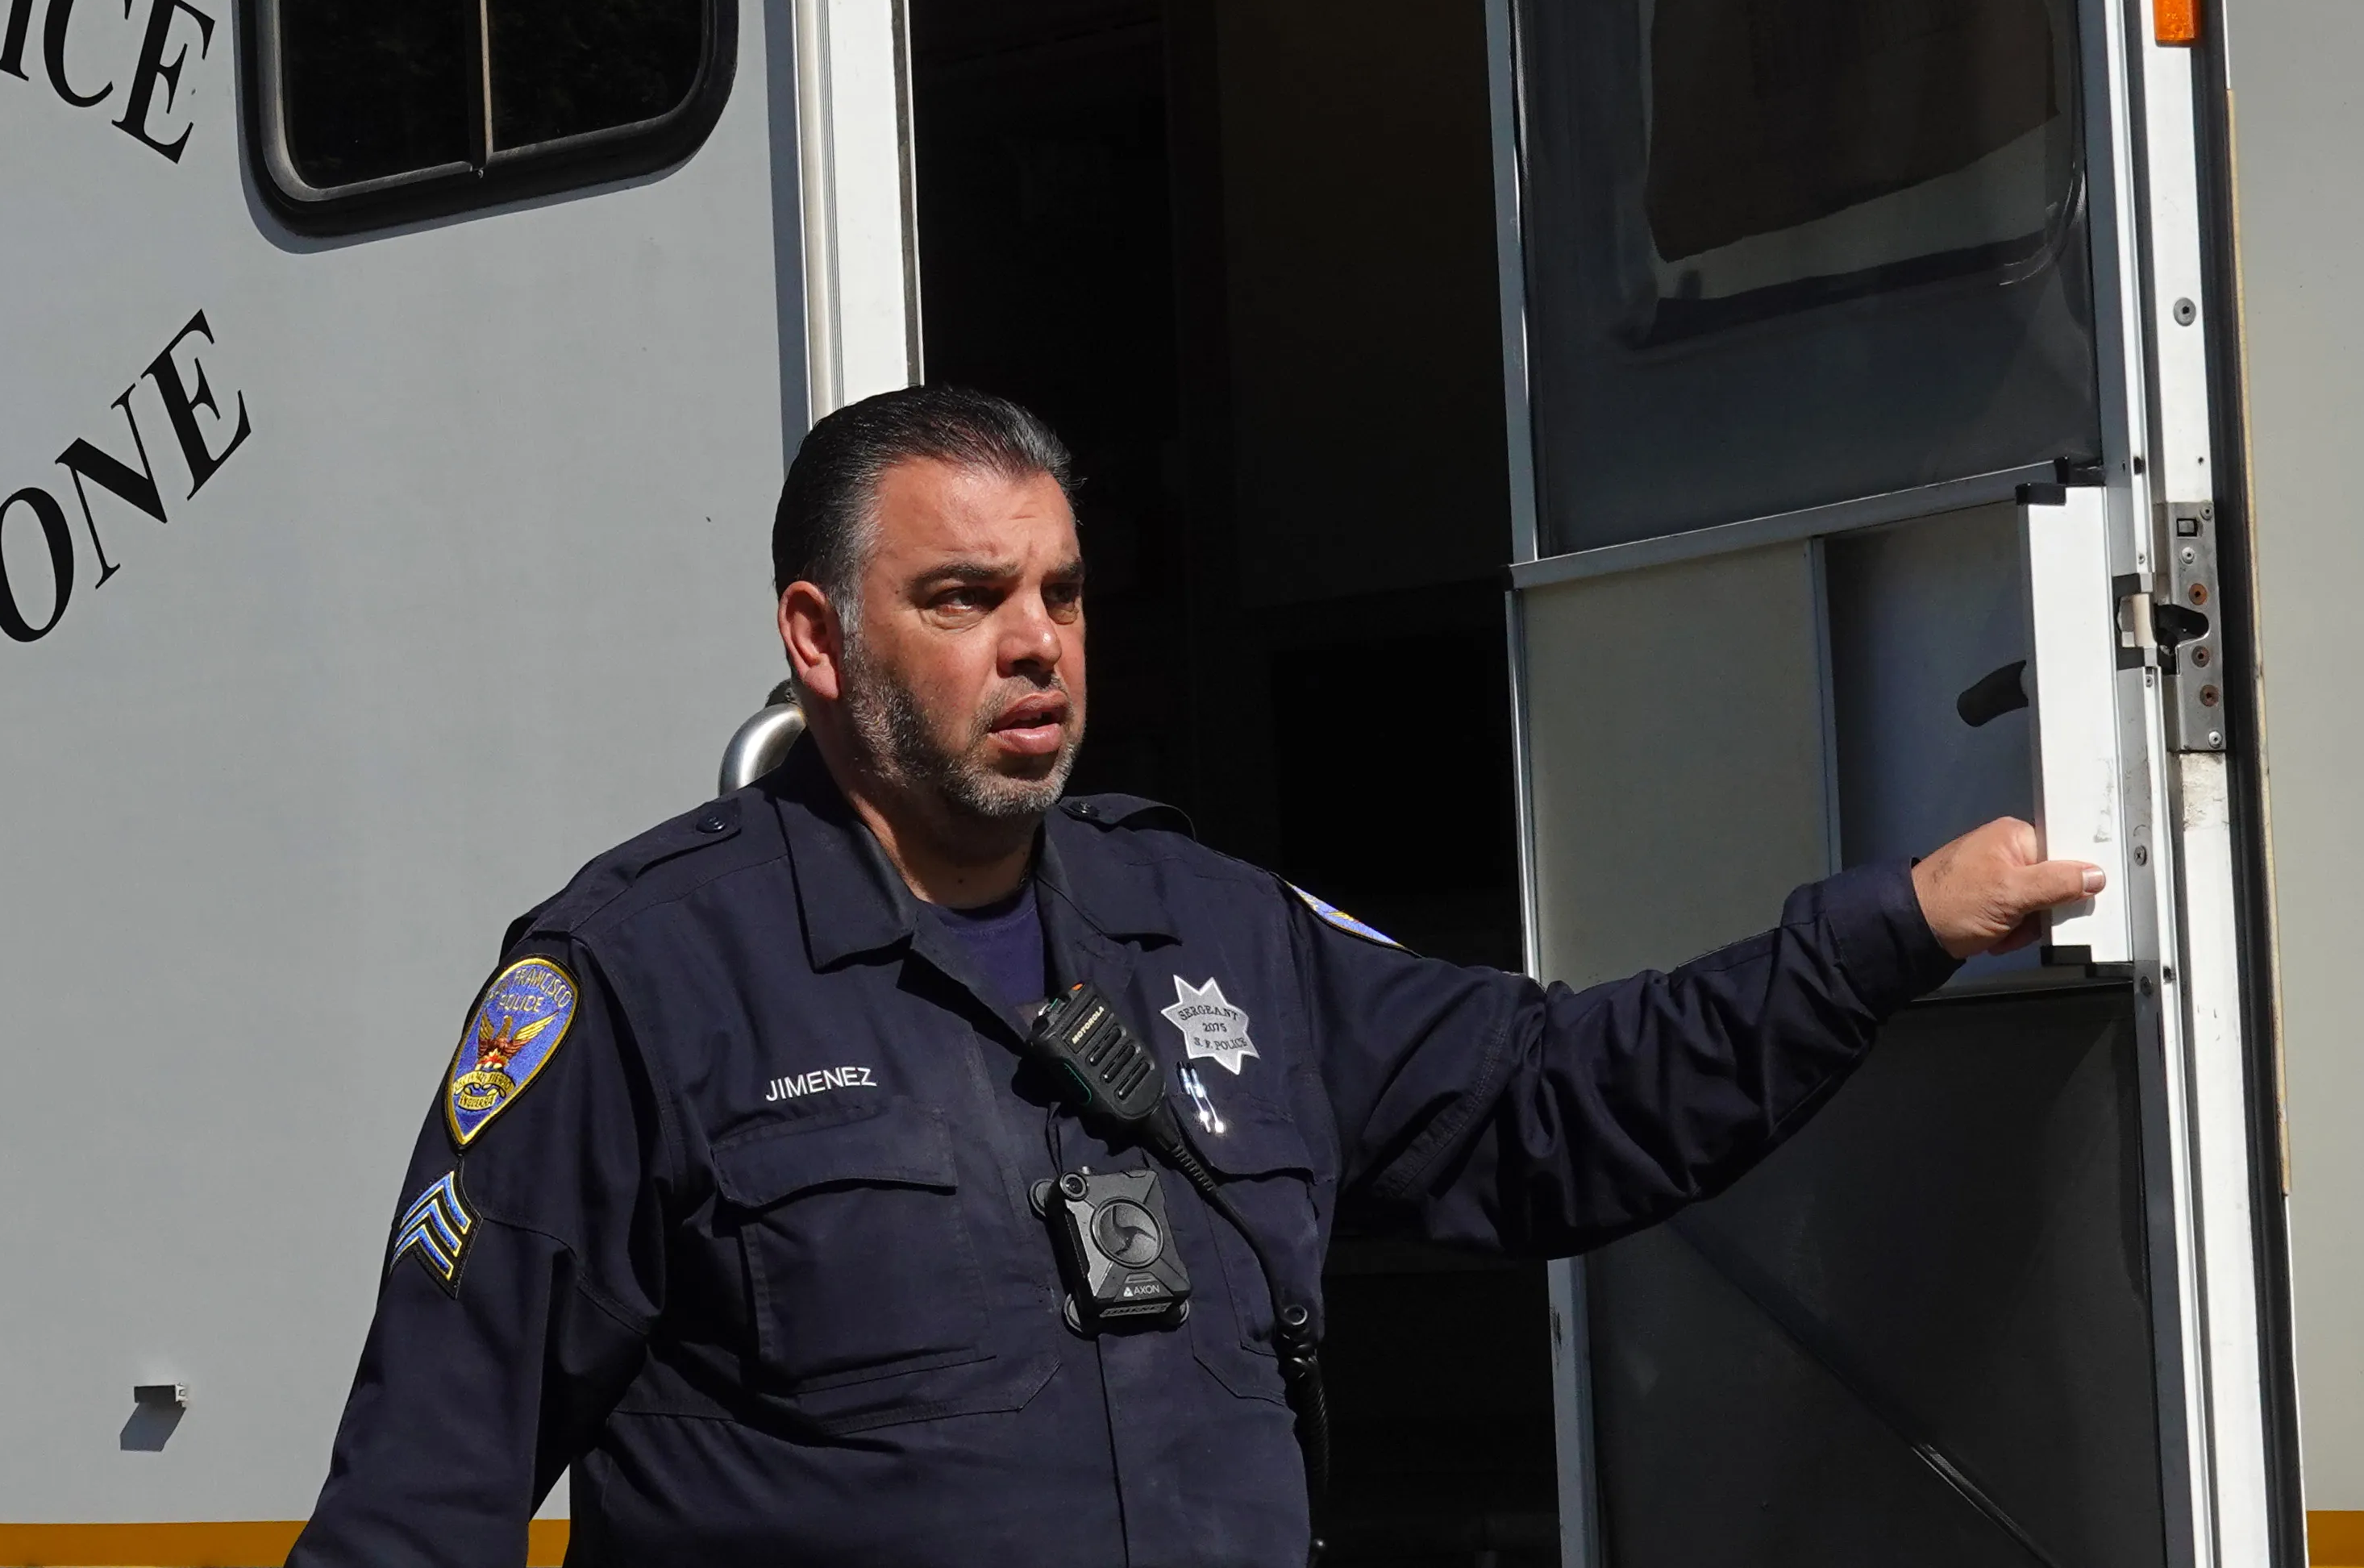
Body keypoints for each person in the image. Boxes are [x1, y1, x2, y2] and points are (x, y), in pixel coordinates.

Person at [289, 387, 2101, 1568]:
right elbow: (416, 1508)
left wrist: (1898, 925)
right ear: (816, 640)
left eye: (1063, 597)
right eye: (966, 599)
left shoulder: (1214, 931)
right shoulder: (638, 984)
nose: (1034, 648)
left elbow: (1558, 1105)